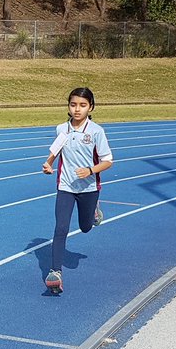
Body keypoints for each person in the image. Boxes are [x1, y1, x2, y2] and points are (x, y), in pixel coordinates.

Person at [42, 86, 113, 294]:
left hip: (89, 187)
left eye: (82, 105)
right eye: (73, 105)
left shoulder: (96, 131)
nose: (77, 109)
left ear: (90, 108)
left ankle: (93, 211)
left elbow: (108, 161)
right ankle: (55, 272)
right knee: (61, 227)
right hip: (65, 187)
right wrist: (48, 164)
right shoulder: (61, 129)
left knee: (85, 227)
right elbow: (55, 150)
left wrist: (90, 170)